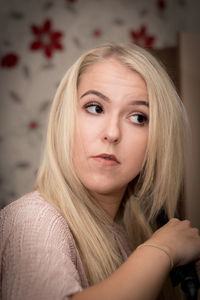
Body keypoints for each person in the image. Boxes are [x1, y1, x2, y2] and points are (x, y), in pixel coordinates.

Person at [0, 43, 200, 300]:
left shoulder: (127, 233)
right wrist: (161, 250)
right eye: (95, 107)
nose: (112, 133)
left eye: (138, 117)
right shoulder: (32, 220)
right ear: (65, 118)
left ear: (157, 139)